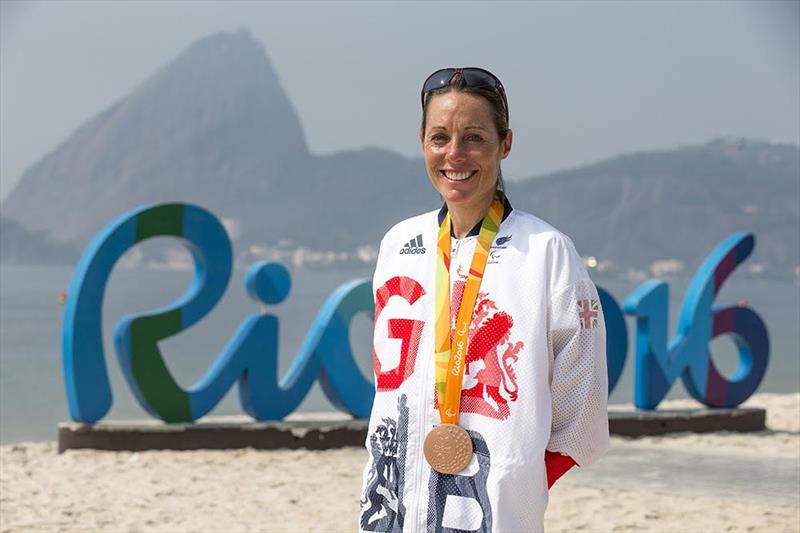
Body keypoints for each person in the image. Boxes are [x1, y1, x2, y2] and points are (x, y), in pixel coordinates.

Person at [359, 67, 609, 532]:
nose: (455, 154)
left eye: (474, 137)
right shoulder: (400, 244)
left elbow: (583, 412)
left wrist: (516, 477)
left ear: (505, 143)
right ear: (422, 143)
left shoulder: (546, 252)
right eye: (440, 137)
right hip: (391, 503)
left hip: (490, 510)